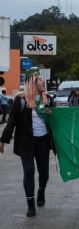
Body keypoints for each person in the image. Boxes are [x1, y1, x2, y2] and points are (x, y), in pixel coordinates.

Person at [0, 74, 54, 217]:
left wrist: (50, 113)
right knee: (29, 171)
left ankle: (41, 191)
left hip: (43, 141)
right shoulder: (21, 100)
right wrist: (3, 140)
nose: (43, 82)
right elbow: (12, 121)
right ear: (33, 83)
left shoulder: (48, 99)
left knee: (44, 174)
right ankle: (30, 205)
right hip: (25, 142)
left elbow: (57, 121)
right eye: (40, 80)